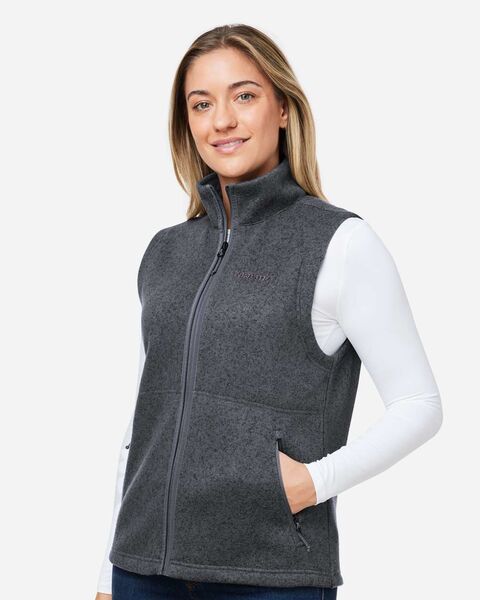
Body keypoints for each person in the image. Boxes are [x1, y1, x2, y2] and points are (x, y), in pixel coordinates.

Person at [95, 24, 443, 600]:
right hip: (141, 571)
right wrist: (107, 570)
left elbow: (419, 405)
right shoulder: (166, 252)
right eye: (201, 104)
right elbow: (144, 422)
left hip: (268, 576)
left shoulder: (339, 243)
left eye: (244, 95)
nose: (222, 120)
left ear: (283, 108)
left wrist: (311, 484)